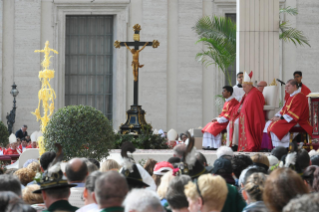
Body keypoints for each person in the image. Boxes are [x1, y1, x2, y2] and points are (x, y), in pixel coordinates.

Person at [267, 79, 313, 148]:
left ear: (294, 86)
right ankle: (276, 147)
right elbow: (284, 109)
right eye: (285, 86)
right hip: (290, 119)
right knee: (271, 124)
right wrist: (276, 116)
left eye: (288, 86)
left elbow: (295, 113)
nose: (286, 88)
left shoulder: (300, 96)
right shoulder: (291, 96)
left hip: (298, 121)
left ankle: (283, 148)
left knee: (275, 126)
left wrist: (280, 118)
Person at [229, 71, 265, 152]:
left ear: (249, 85)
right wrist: (238, 109)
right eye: (242, 87)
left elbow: (253, 107)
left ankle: (241, 144)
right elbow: (242, 103)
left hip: (253, 117)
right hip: (245, 114)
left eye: (244, 87)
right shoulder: (248, 92)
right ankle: (235, 144)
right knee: (233, 122)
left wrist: (241, 110)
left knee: (237, 122)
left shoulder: (254, 93)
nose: (243, 89)